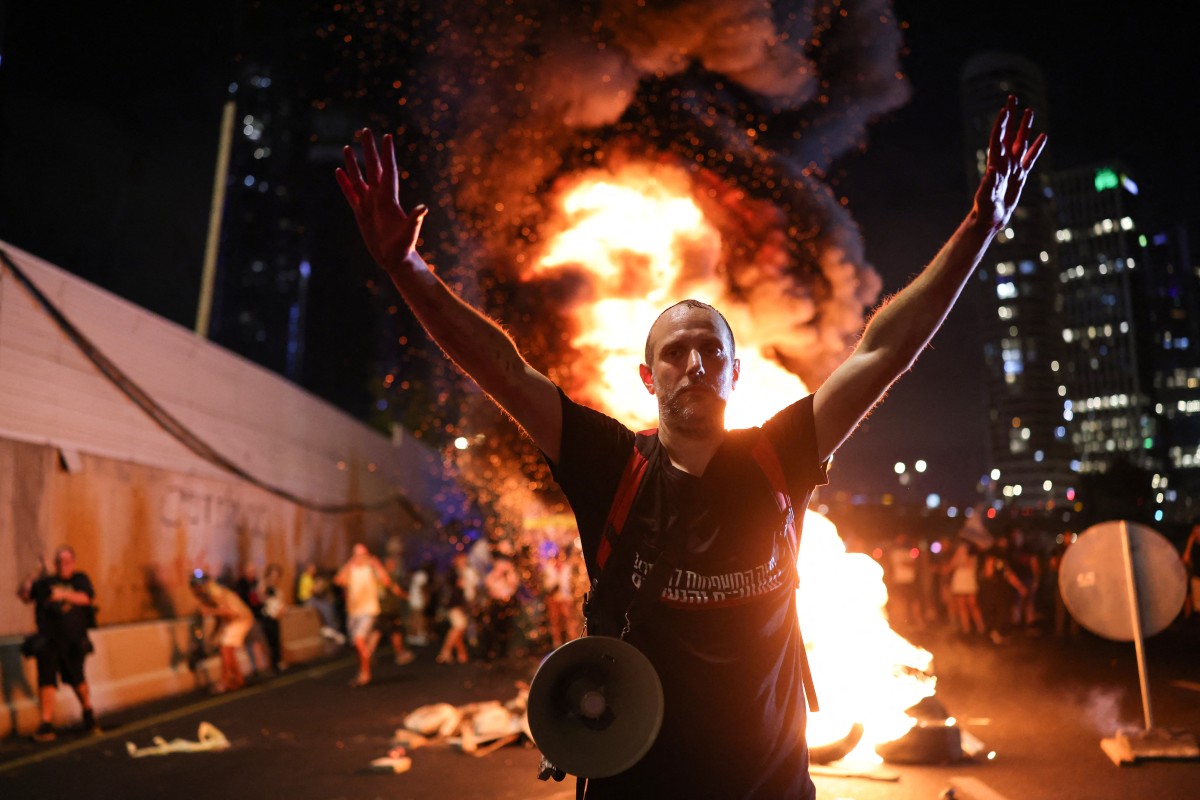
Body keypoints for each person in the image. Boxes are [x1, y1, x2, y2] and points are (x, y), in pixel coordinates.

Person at [336, 95, 1045, 798]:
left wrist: (982, 226)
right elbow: (502, 369)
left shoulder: (780, 456)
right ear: (647, 376)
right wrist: (409, 270)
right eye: (675, 353)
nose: (695, 364)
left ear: (736, 374)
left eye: (712, 350)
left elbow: (884, 350)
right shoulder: (609, 465)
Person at [17, 546, 101, 741]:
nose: (63, 565)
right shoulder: (45, 583)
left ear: (73, 562)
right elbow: (24, 596)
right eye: (59, 562)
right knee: (46, 680)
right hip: (49, 640)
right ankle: (46, 723)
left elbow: (86, 598)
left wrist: (63, 595)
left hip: (72, 640)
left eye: (67, 561)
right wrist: (34, 573)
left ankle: (88, 712)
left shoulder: (79, 579)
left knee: (77, 678)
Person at [334, 543, 396, 687]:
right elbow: (338, 580)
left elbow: (386, 582)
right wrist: (349, 564)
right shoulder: (351, 569)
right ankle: (365, 664)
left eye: (362, 554)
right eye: (357, 555)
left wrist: (377, 565)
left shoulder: (371, 569)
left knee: (358, 639)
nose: (360, 558)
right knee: (358, 644)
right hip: (353, 611)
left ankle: (365, 672)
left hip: (368, 610)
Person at [189, 570, 255, 694]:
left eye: (195, 587)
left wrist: (209, 611)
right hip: (233, 620)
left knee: (225, 649)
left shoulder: (215, 593)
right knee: (226, 649)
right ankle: (238, 680)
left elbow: (231, 611)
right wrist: (215, 632)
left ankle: (226, 681)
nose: (194, 591)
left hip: (241, 618)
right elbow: (219, 617)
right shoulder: (208, 596)